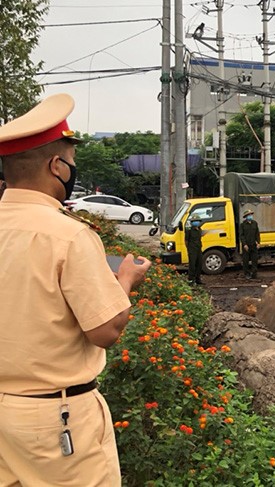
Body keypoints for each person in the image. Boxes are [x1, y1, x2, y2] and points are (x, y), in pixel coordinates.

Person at [0, 93, 151, 485]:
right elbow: (105, 331)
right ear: (56, 166)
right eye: (72, 163)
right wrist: (125, 282)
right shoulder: (68, 236)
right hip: (56, 421)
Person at [239, 208, 260, 279]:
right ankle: (246, 273)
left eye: (251, 215)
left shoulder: (255, 223)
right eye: (249, 215)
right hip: (246, 245)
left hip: (253, 245)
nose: (250, 216)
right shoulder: (242, 225)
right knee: (246, 261)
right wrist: (244, 244)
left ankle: (254, 273)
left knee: (255, 260)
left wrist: (258, 242)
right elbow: (241, 235)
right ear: (246, 217)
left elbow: (257, 234)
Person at [186, 213, 204, 284]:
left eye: (197, 221)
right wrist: (188, 248)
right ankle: (191, 280)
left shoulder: (199, 229)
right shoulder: (189, 230)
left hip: (199, 248)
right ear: (191, 222)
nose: (196, 222)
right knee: (192, 265)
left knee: (199, 264)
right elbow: (186, 241)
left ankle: (198, 279)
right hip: (192, 249)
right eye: (194, 221)